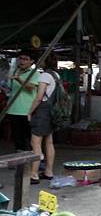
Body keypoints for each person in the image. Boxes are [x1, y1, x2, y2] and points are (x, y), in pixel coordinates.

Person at [28, 55, 58, 184]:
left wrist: (30, 111)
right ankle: (49, 171)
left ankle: (34, 174)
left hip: (42, 112)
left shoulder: (44, 76)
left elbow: (39, 97)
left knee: (35, 144)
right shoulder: (56, 75)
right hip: (51, 112)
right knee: (49, 142)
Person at [4, 50, 39, 151]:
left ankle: (30, 163)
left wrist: (18, 79)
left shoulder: (34, 73)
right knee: (17, 139)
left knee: (27, 139)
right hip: (12, 109)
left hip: (27, 111)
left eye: (25, 59)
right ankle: (19, 163)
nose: (22, 61)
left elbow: (30, 87)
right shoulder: (14, 72)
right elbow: (10, 89)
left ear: (32, 61)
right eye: (20, 58)